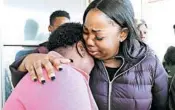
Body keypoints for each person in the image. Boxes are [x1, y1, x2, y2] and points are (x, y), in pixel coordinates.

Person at [10, 0, 168, 110]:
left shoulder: (149, 62)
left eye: (98, 37)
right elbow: (48, 53)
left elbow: (161, 106)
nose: (89, 41)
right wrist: (29, 59)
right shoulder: (82, 50)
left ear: (123, 34)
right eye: (86, 31)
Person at [4, 23, 98, 110]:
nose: (96, 57)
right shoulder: (65, 74)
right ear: (81, 48)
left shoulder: (49, 70)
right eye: (92, 49)